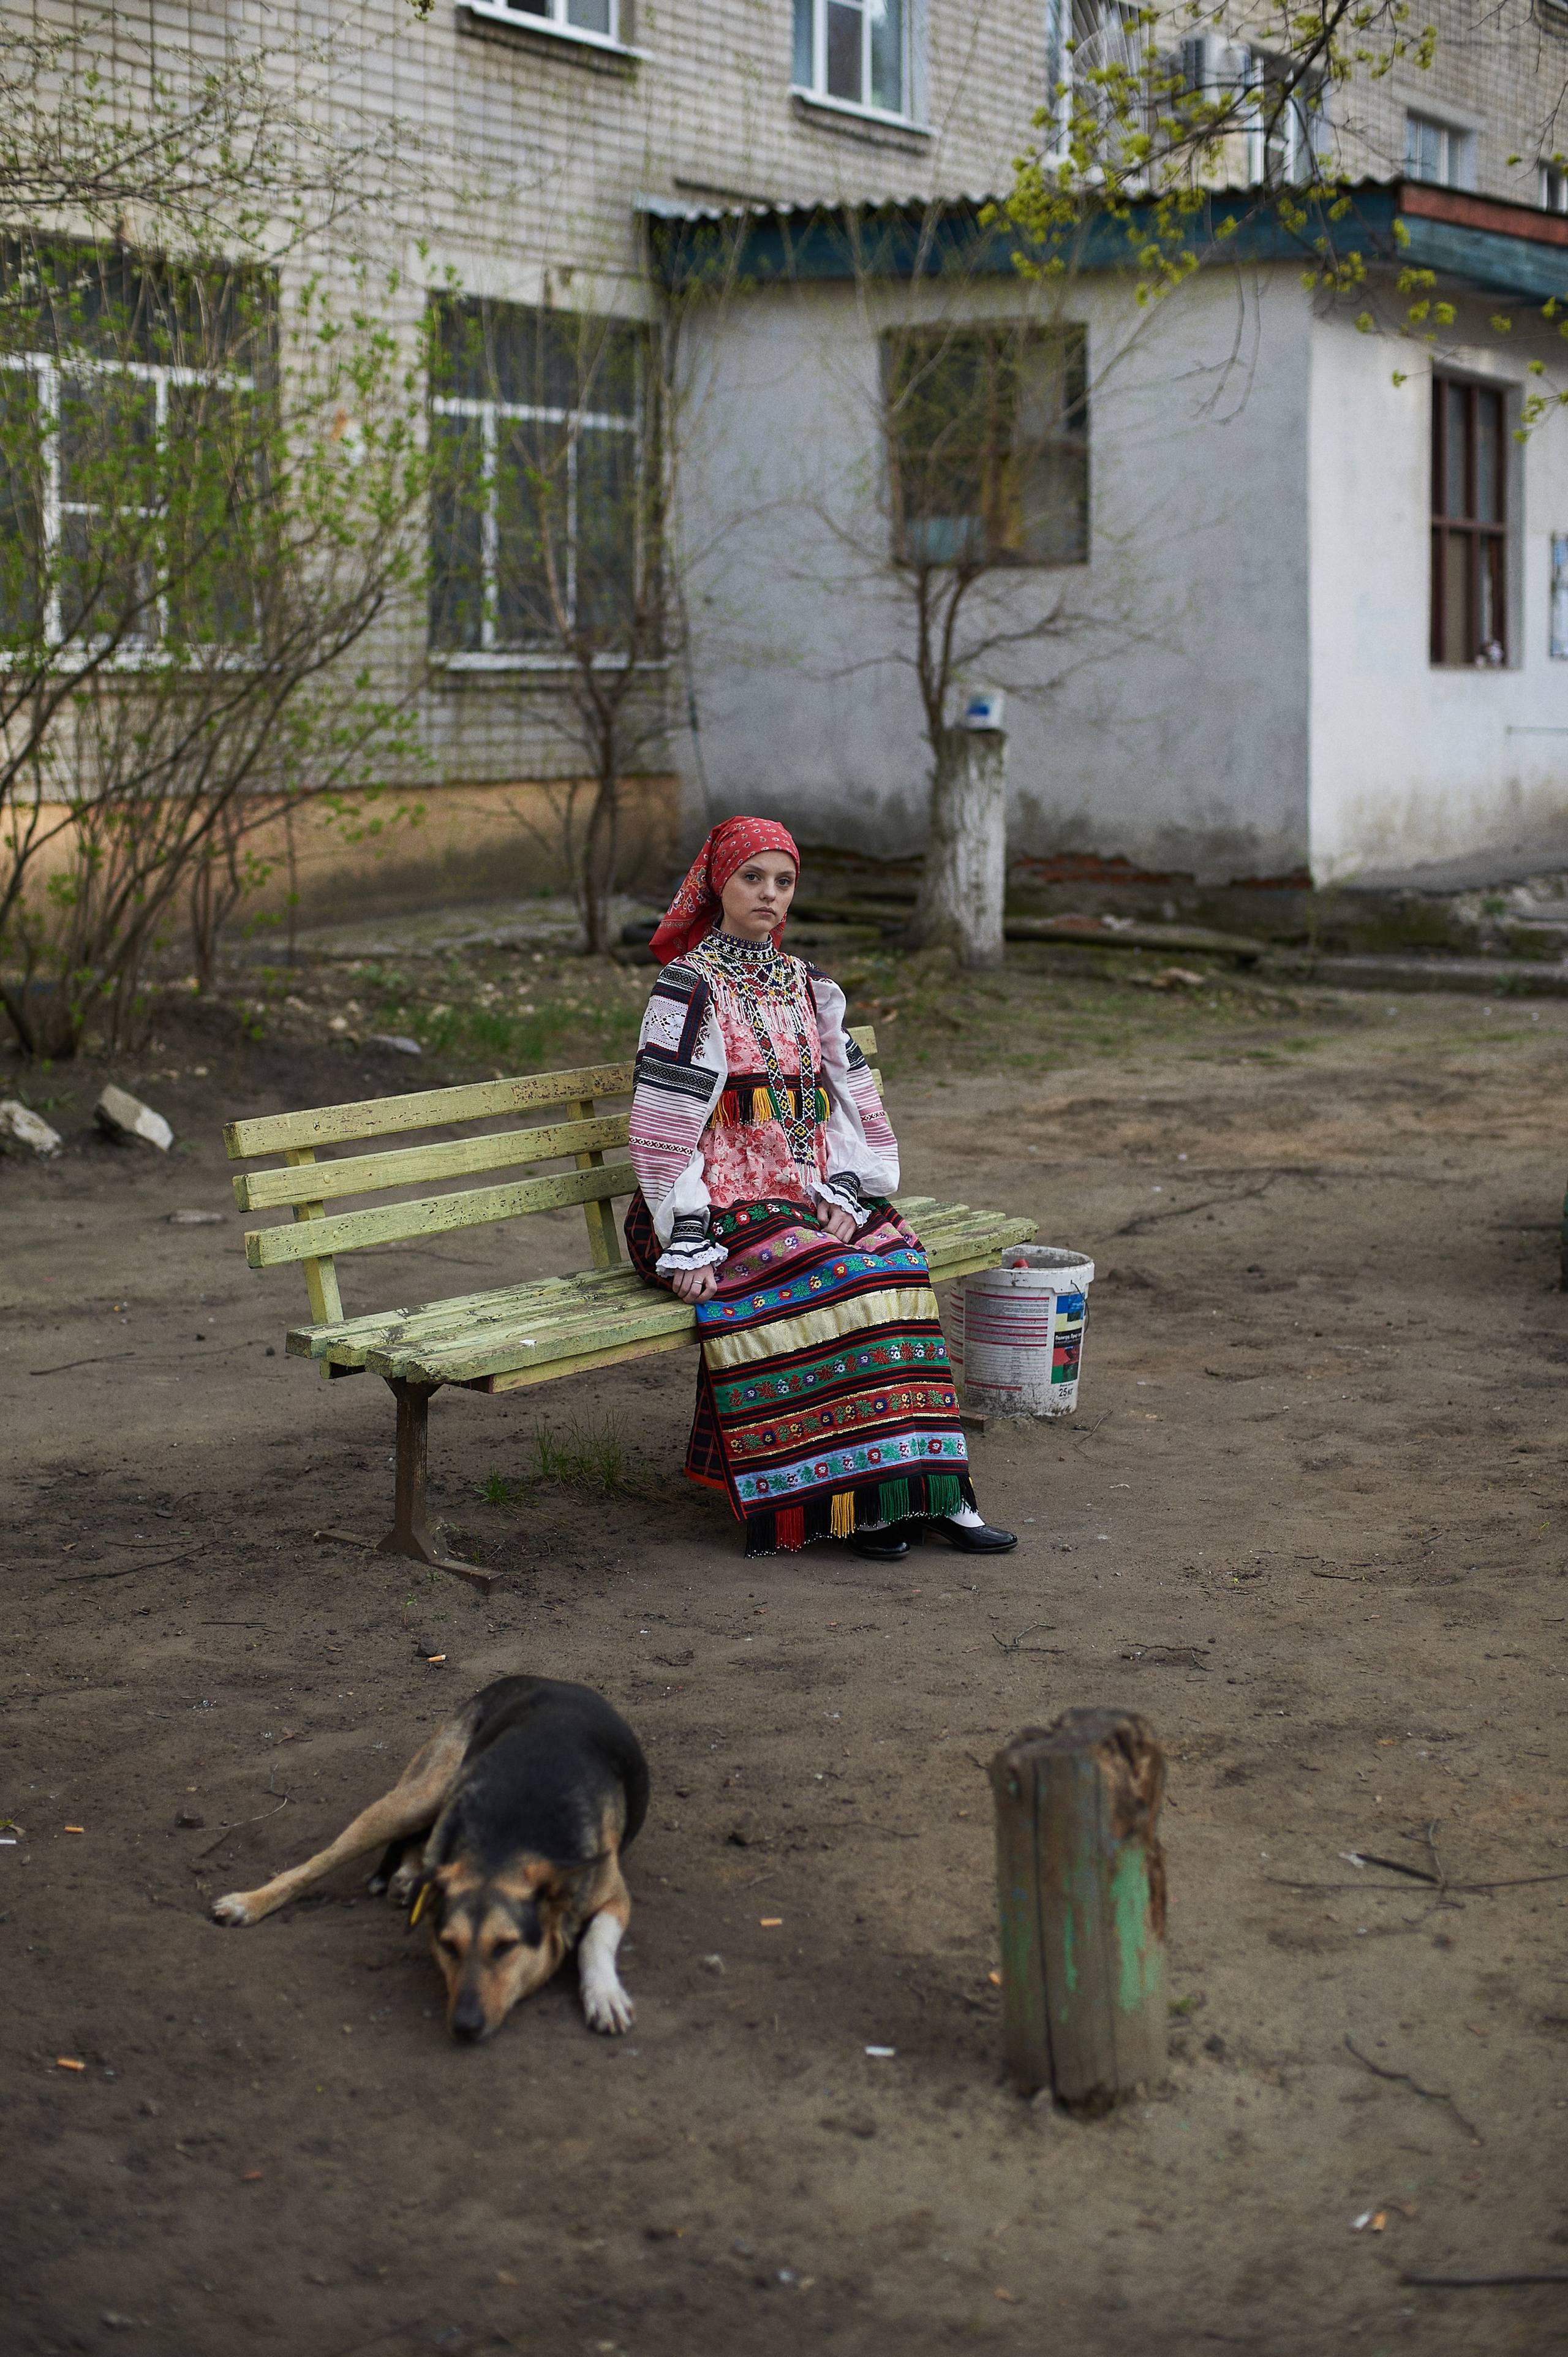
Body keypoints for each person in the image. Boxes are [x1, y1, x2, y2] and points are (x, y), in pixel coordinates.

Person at [624, 815, 1017, 1564]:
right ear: (719, 883)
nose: (769, 894)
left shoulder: (809, 985)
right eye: (752, 878)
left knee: (900, 1261)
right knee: (847, 1276)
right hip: (710, 1210)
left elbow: (852, 1099)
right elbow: (662, 1126)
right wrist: (686, 1233)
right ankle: (862, 1504)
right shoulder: (689, 988)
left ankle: (937, 1491)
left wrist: (845, 1183)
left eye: (783, 881)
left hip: (799, 1198)